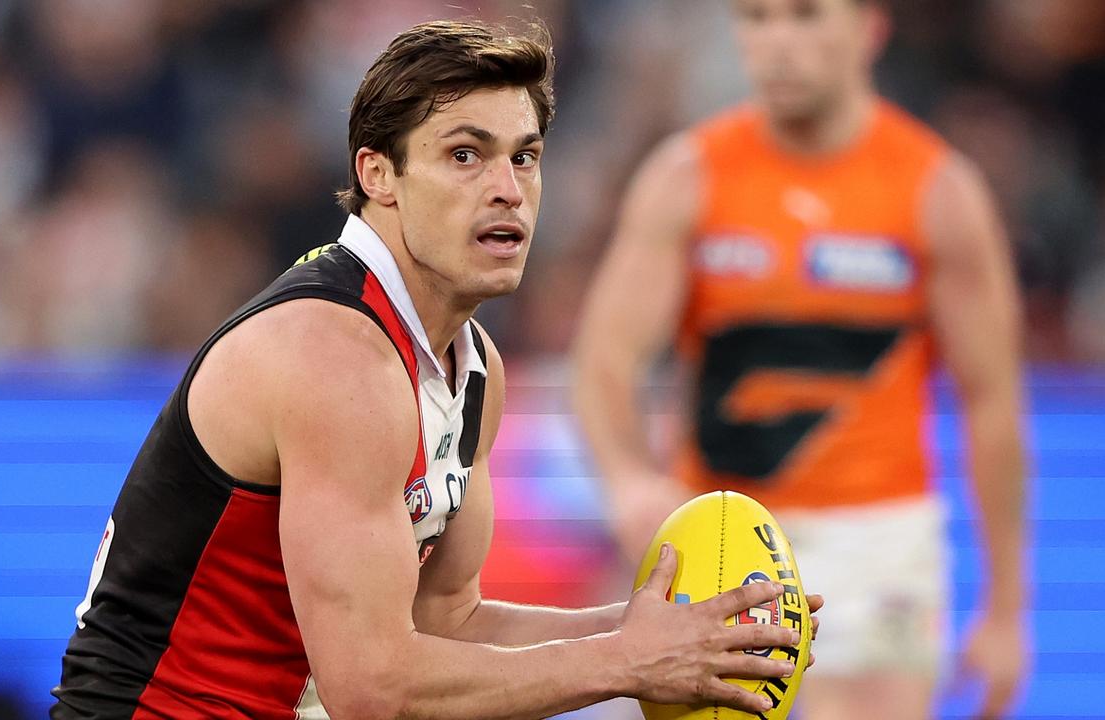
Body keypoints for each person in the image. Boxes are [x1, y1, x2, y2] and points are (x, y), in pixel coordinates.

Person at [53, 19, 819, 720]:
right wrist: (627, 660)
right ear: (379, 175)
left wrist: (670, 631)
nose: (508, 190)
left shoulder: (473, 365)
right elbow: (374, 687)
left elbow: (447, 622)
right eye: (465, 154)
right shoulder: (334, 357)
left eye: (525, 157)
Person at [573, 1, 1027, 719]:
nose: (778, 44)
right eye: (757, 18)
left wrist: (1005, 611)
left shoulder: (938, 192)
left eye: (806, 16)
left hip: (876, 542)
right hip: (719, 531)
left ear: (870, 29)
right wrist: (628, 480)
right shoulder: (687, 178)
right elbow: (605, 360)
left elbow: (993, 401)